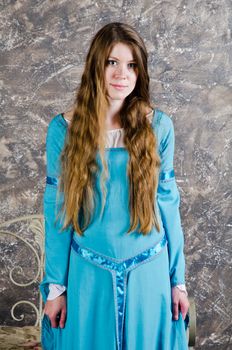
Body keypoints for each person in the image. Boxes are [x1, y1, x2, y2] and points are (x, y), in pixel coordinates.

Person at [40, 22, 189, 350]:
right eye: (112, 62)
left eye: (132, 65)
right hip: (88, 274)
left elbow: (168, 203)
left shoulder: (159, 127)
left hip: (149, 269)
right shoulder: (63, 130)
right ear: (96, 65)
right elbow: (57, 209)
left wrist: (177, 281)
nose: (123, 73)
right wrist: (56, 288)